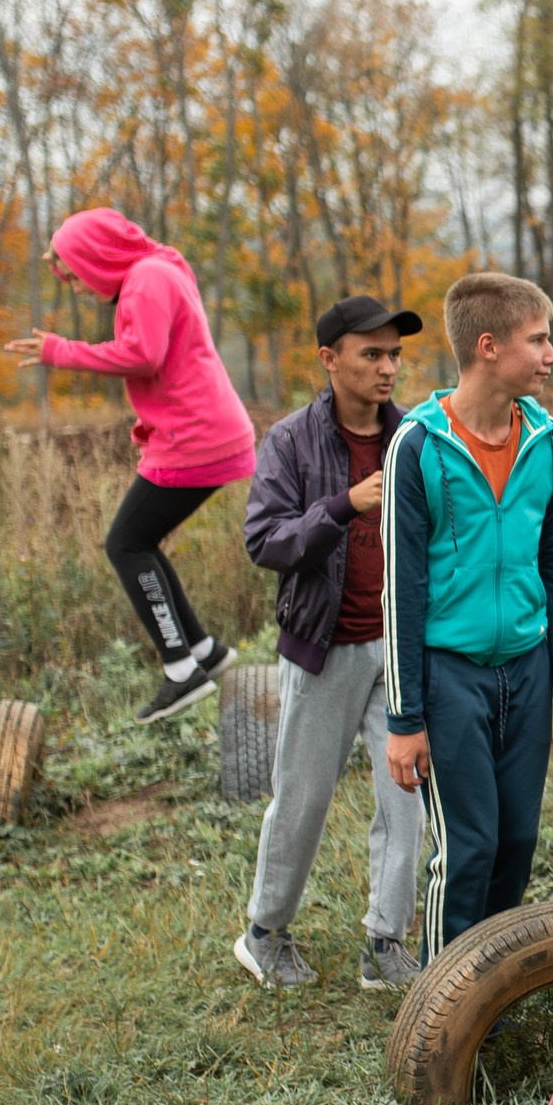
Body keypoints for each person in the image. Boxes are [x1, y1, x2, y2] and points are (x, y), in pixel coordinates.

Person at [381, 274, 553, 964]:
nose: (551, 353)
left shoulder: (550, 442)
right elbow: (401, 591)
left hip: (528, 671)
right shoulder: (418, 445)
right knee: (469, 845)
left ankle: (491, 990)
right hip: (450, 678)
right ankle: (441, 1007)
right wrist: (405, 718)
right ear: (488, 347)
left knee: (516, 842)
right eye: (537, 339)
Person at [235, 297, 429, 991]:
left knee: (404, 796)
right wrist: (344, 504)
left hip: (403, 649)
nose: (387, 367)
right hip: (323, 647)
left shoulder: (415, 436)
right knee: (304, 795)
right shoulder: (290, 441)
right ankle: (264, 931)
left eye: (394, 354)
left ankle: (387, 940)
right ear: (330, 358)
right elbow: (265, 540)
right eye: (371, 353)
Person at [4, 209, 255, 722]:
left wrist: (62, 351)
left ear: (97, 258)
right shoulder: (156, 270)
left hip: (196, 438)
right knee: (140, 541)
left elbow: (143, 355)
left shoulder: (147, 279)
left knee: (125, 543)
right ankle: (204, 651)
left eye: (73, 275)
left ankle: (182, 671)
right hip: (200, 432)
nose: (74, 288)